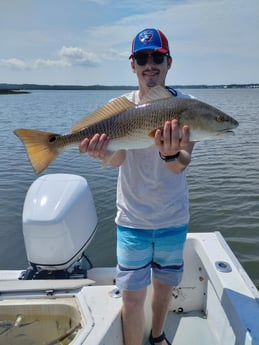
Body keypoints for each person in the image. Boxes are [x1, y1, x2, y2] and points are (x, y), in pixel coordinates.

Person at [79, 28, 195, 345]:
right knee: (131, 299)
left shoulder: (186, 107)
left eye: (157, 57)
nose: (150, 64)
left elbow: (180, 163)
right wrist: (100, 151)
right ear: (133, 66)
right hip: (131, 221)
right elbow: (117, 160)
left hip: (172, 219)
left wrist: (170, 152)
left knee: (163, 290)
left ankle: (157, 337)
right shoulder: (119, 109)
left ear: (169, 61)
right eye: (142, 58)